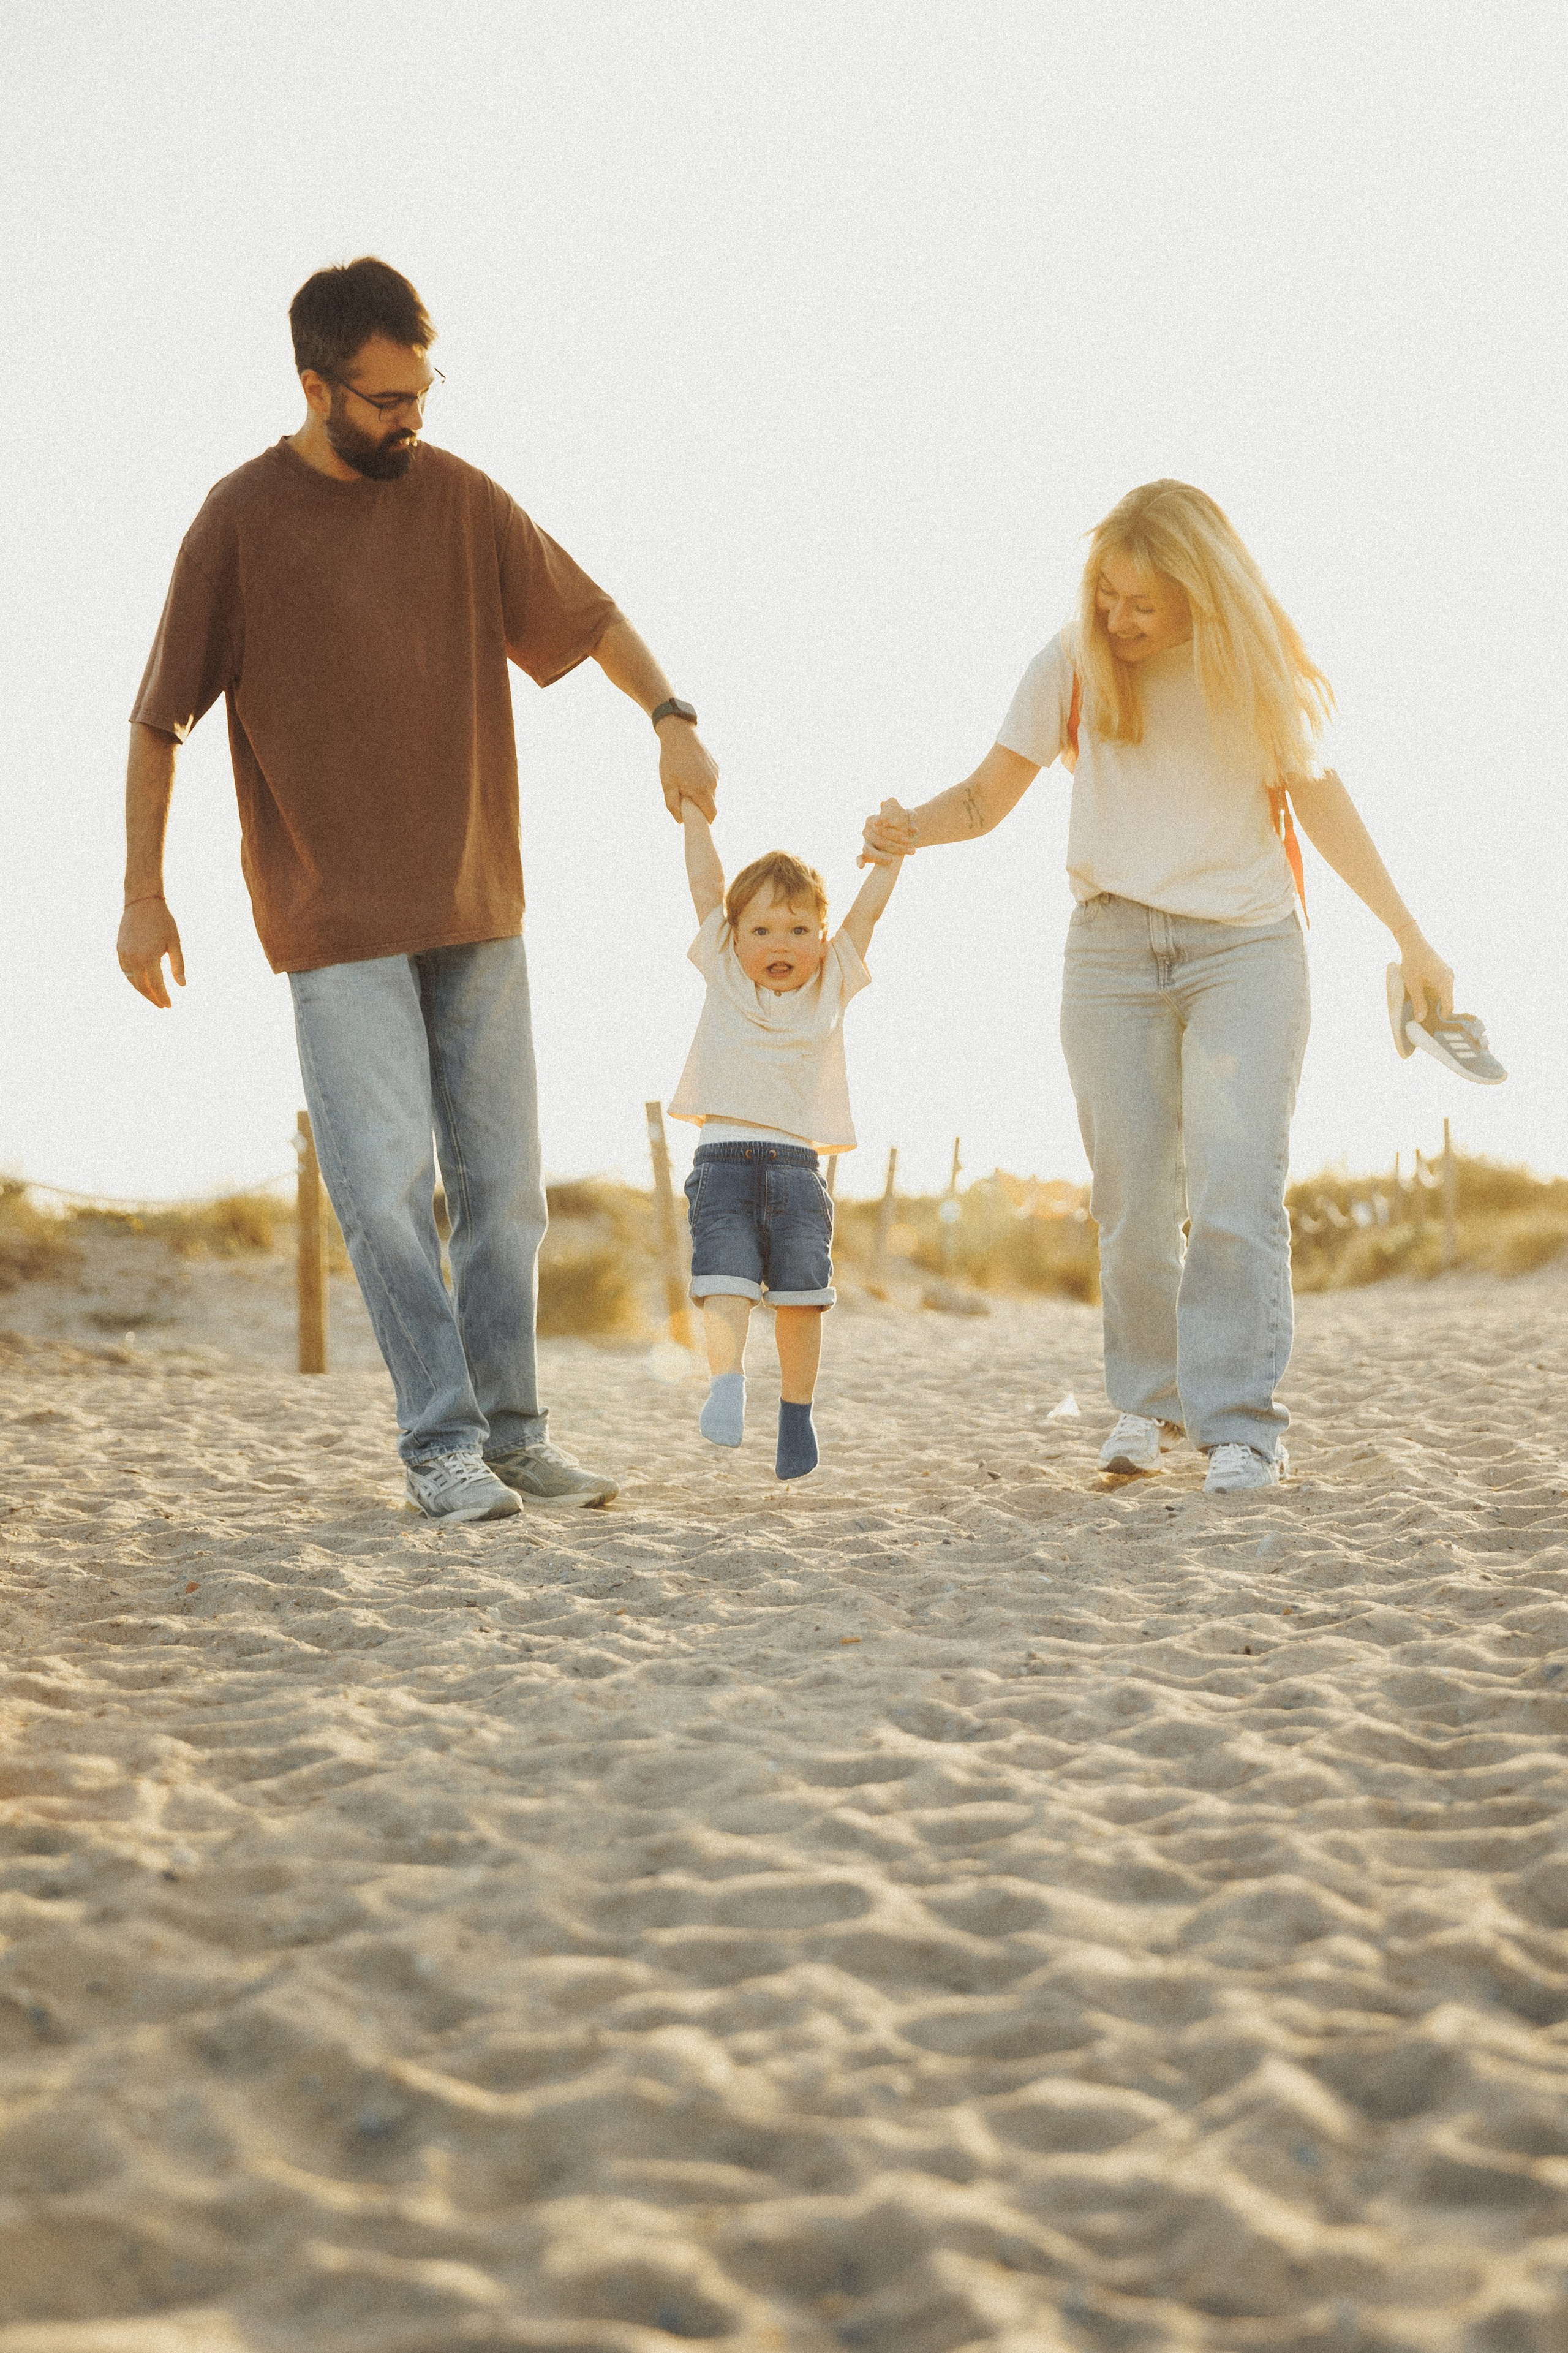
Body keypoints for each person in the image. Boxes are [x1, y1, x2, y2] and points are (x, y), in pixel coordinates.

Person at [118, 256, 720, 1525]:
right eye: (387, 400)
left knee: (505, 1195)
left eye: (422, 393)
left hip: (476, 904)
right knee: (386, 1189)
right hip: (332, 920)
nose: (412, 420)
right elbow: (161, 718)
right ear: (316, 386)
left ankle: (514, 1436)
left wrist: (668, 715)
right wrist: (143, 895)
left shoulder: (457, 499)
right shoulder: (238, 521)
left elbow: (590, 615)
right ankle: (440, 1442)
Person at [860, 479, 1455, 1495]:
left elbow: (1321, 802)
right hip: (1112, 952)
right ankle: (1147, 1402)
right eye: (1109, 599)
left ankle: (1242, 1425)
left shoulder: (1250, 664)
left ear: (1199, 587)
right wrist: (910, 822)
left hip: (1247, 952)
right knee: (1133, 1197)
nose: (1120, 621)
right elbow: (986, 795)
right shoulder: (1071, 663)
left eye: (1144, 603)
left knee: (1235, 1184)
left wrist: (1411, 935)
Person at [668, 806, 902, 1478]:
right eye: (763, 929)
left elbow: (868, 918)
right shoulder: (724, 975)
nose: (782, 943)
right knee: (725, 1280)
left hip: (800, 1171)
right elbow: (705, 886)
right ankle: (727, 1385)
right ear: (733, 938)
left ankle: (796, 1416)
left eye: (800, 930)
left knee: (803, 1298)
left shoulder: (830, 982)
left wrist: (890, 861)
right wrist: (693, 816)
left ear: (823, 940)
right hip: (724, 1163)